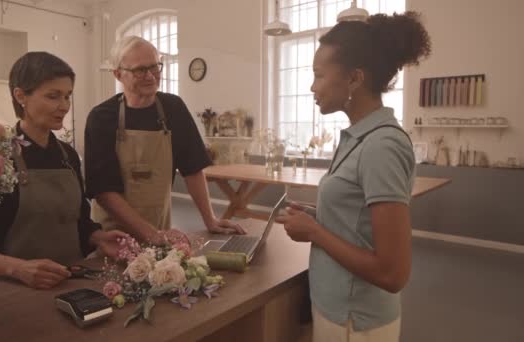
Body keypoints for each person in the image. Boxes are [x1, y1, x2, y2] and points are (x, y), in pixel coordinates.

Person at [276, 12, 431, 342]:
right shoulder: (360, 137)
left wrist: (316, 232)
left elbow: (393, 272)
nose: (312, 86)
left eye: (319, 75)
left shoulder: (381, 146)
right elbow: (359, 224)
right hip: (337, 307)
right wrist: (320, 217)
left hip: (355, 321)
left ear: (354, 79)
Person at [0, 52, 126, 289]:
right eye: (53, 96)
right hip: (16, 292)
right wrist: (18, 268)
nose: (64, 106)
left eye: (67, 96)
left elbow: (79, 221)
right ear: (20, 95)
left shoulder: (68, 156)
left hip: (70, 282)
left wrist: (97, 237)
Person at [85, 36, 244, 244]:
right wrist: (150, 234)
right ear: (118, 74)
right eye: (140, 70)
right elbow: (105, 192)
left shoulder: (173, 108)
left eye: (155, 67)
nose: (151, 76)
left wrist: (210, 219)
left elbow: (192, 169)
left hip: (160, 227)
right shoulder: (102, 117)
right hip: (113, 236)